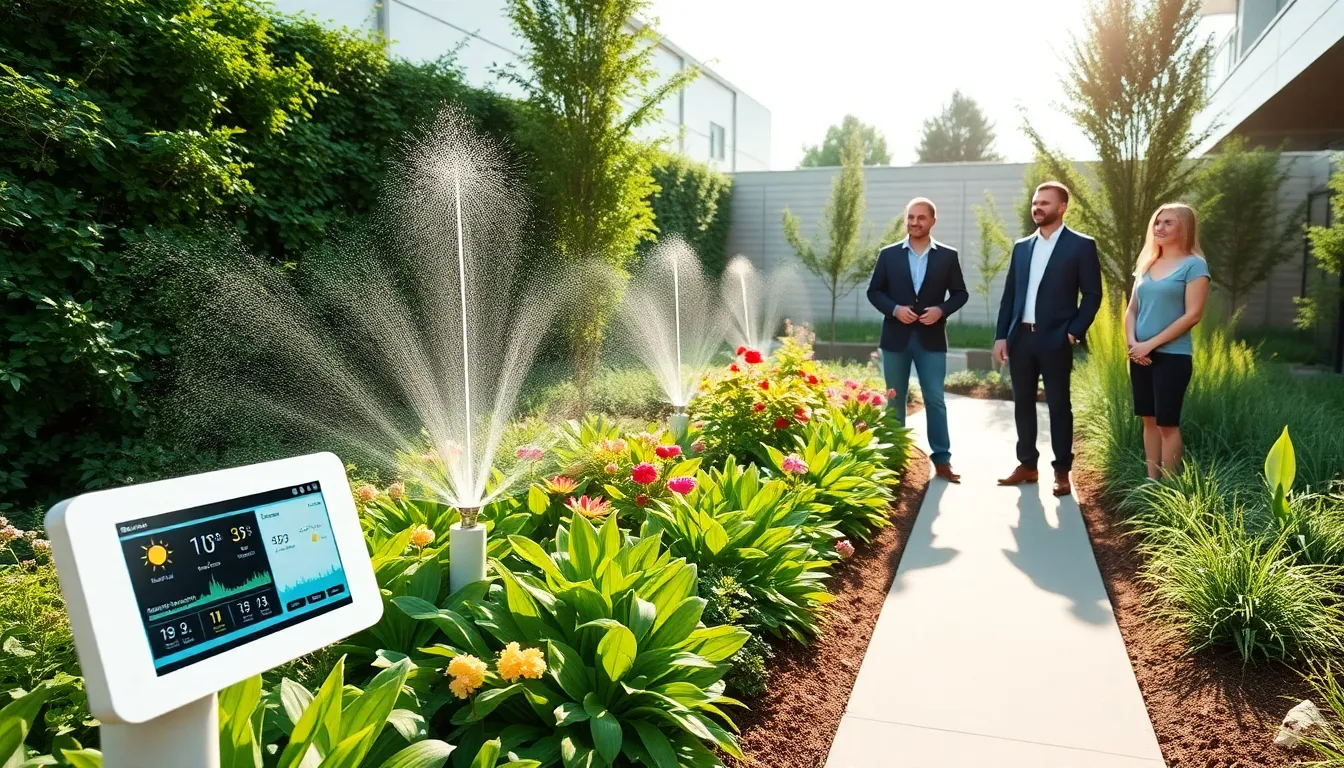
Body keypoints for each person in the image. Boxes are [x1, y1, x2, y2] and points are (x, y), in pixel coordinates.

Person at [993, 182, 1103, 496]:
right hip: (1021, 340)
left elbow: (1093, 295)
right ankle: (1027, 465)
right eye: (1035, 202)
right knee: (1022, 404)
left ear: (1062, 207)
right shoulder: (1022, 246)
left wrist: (1074, 331)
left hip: (1056, 339)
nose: (1037, 208)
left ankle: (1062, 471)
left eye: (1044, 203)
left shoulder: (1081, 246)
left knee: (1058, 406)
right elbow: (1009, 296)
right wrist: (1002, 335)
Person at [866, 197, 969, 483]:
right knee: (894, 400)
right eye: (910, 217)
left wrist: (941, 310)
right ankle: (894, 459)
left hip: (932, 340)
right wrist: (895, 309)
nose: (914, 222)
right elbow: (874, 292)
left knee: (935, 399)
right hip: (895, 338)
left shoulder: (947, 256)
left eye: (920, 217)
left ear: (932, 221)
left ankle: (942, 460)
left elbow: (960, 293)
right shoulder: (888, 254)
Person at [1125, 203, 1211, 480]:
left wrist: (1149, 345)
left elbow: (1193, 315)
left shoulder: (1194, 265)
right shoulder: (1147, 264)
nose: (1159, 227)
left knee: (1167, 424)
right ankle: (1151, 481)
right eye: (1157, 222)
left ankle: (1169, 488)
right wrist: (1133, 344)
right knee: (1148, 421)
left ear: (1184, 228)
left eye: (1168, 223)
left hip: (1172, 357)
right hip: (1139, 355)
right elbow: (1131, 310)